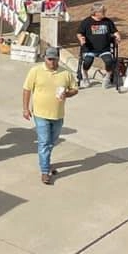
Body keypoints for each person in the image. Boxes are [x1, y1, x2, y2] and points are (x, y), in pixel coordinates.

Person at [23, 47, 78, 184]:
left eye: (55, 59)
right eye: (49, 59)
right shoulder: (35, 71)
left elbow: (75, 89)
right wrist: (25, 108)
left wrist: (67, 94)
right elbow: (27, 89)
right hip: (40, 114)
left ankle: (45, 160)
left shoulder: (66, 73)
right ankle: (45, 171)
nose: (52, 62)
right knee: (44, 142)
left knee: (51, 141)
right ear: (45, 58)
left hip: (58, 115)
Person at [76, 4, 120, 88]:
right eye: (103, 11)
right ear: (96, 12)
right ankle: (85, 75)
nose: (104, 13)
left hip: (104, 49)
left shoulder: (108, 21)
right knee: (87, 61)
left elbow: (115, 31)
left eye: (104, 11)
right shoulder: (86, 22)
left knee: (109, 61)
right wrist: (81, 39)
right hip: (90, 49)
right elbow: (79, 33)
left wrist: (118, 36)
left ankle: (107, 77)